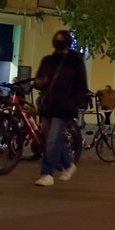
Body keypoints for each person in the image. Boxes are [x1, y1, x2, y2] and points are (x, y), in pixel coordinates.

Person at [32, 30, 89, 187]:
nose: (58, 41)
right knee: (52, 138)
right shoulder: (48, 60)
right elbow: (38, 79)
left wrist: (74, 102)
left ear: (68, 41)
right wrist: (39, 83)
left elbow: (81, 84)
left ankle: (47, 173)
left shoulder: (75, 61)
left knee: (52, 139)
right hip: (48, 104)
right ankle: (68, 164)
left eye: (61, 39)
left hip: (64, 107)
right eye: (56, 39)